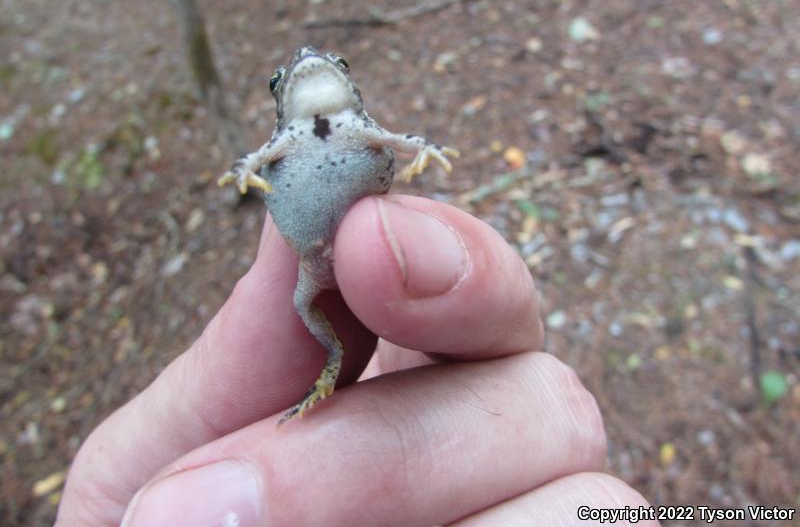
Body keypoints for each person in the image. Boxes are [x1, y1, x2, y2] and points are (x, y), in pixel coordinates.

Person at [56, 196, 658, 526]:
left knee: (387, 256)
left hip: (362, 254)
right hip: (316, 265)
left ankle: (333, 368)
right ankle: (330, 365)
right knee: (311, 300)